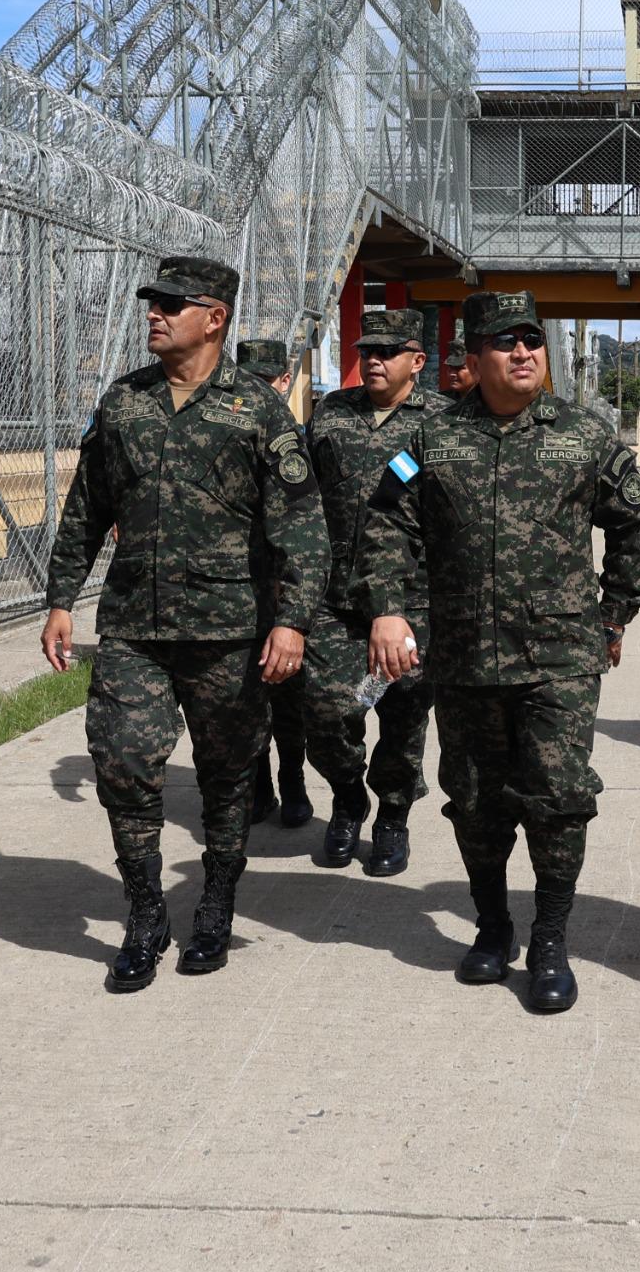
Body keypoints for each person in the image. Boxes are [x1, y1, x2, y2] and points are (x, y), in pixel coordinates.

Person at [362, 289, 640, 1014]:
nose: (524, 351)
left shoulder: (585, 436)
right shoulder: (432, 442)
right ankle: (493, 927)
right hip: (463, 659)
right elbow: (384, 523)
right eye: (505, 341)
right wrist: (390, 608)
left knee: (557, 801)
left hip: (559, 657)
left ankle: (551, 938)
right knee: (474, 801)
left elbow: (633, 530)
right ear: (473, 358)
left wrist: (611, 614)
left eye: (532, 339)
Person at [40, 256, 326, 992]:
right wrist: (62, 598)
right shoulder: (124, 403)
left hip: (230, 629)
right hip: (135, 625)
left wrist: (291, 623)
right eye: (152, 303)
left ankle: (216, 905)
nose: (155, 314)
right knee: (123, 763)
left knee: (227, 779)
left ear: (215, 317)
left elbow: (300, 526)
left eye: (172, 303)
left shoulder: (257, 412)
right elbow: (85, 510)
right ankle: (144, 913)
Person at [299, 305, 447, 875]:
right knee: (330, 708)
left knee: (405, 712)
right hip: (337, 596)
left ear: (417, 360)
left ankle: (391, 814)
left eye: (388, 352)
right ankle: (346, 796)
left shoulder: (443, 420)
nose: (375, 361)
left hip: (415, 599)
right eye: (368, 352)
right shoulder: (333, 413)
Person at [236, 335, 315, 830]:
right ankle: (260, 785)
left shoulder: (302, 442)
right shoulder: (223, 433)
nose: (259, 392)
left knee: (289, 698)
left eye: (267, 382)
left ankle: (293, 781)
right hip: (240, 589)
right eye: (249, 383)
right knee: (246, 696)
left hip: (288, 590)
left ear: (285, 382)